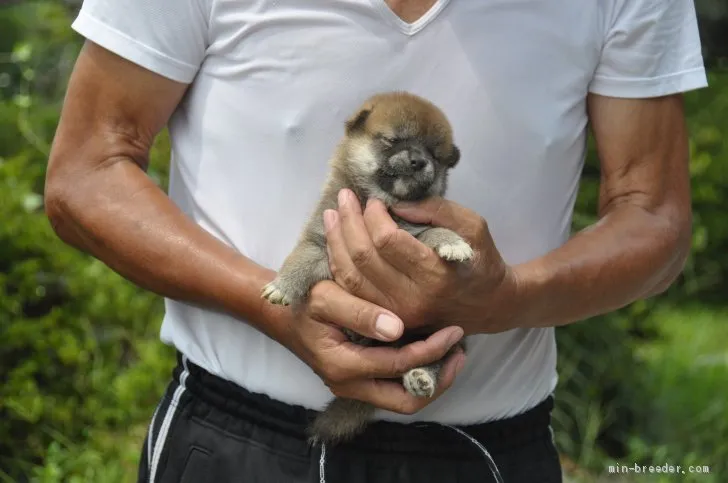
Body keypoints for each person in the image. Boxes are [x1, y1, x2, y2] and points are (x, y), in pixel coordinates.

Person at [45, 0, 707, 482]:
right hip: (239, 442)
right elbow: (84, 172)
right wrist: (268, 302)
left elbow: (654, 216)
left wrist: (508, 299)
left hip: (484, 450)